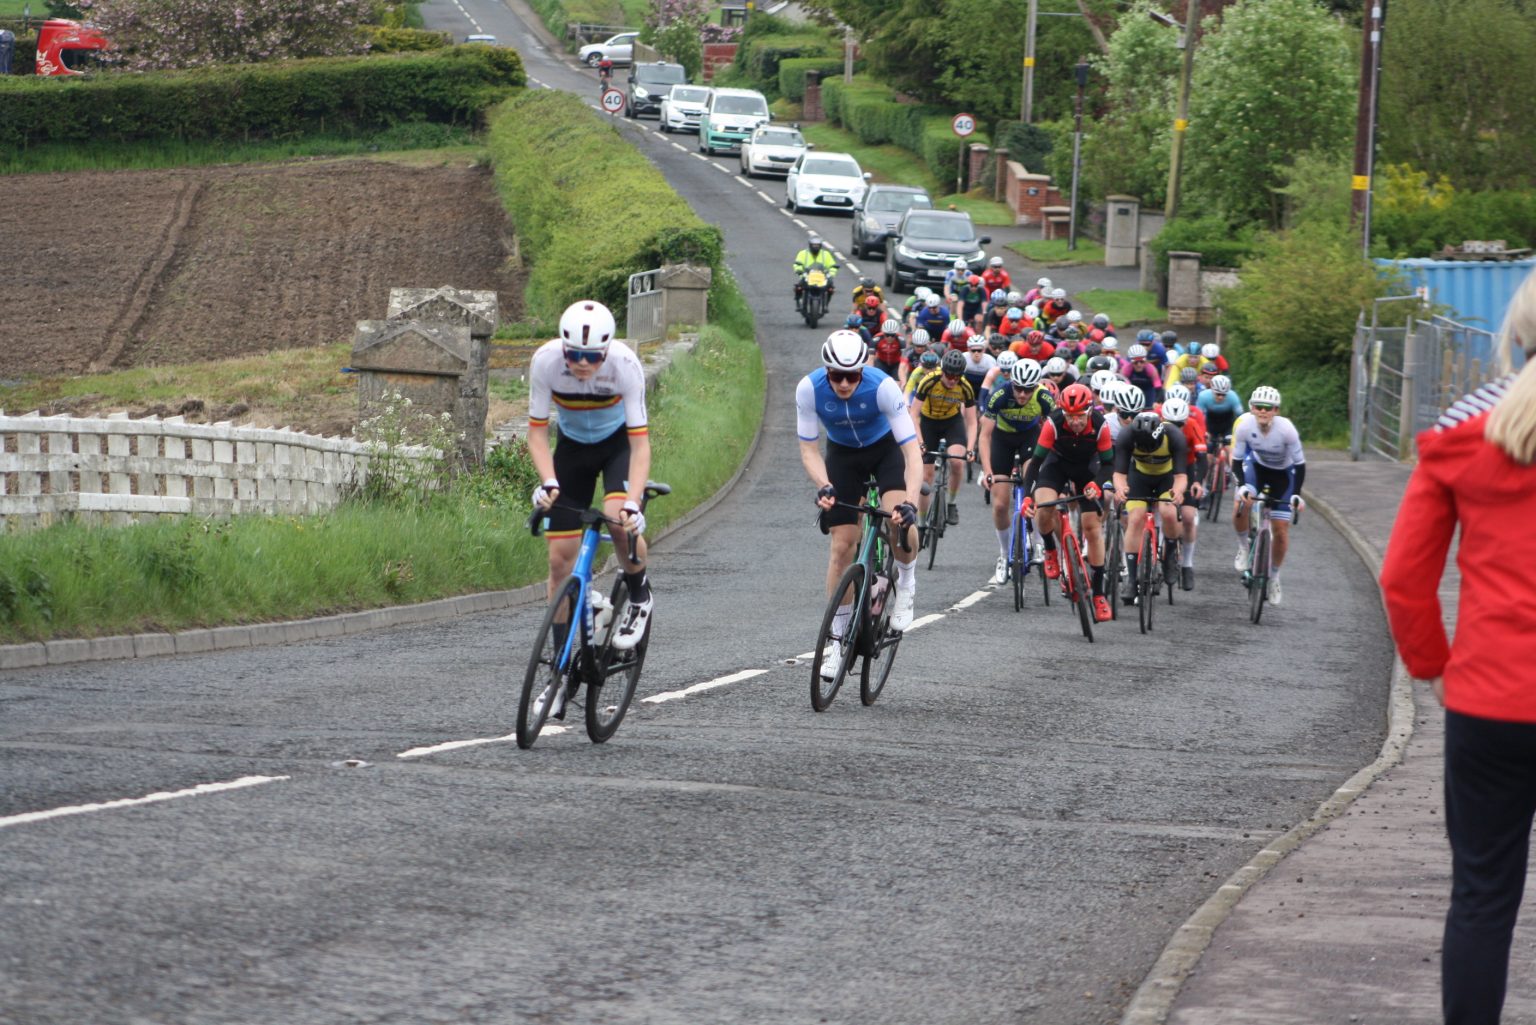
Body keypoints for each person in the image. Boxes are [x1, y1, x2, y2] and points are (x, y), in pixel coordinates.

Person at [1380, 268, 1536, 1025]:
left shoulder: (1462, 433)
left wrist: (1434, 667)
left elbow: (1404, 577)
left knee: (1481, 895)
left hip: (1491, 700)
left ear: (1515, 335)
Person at [528, 300, 655, 674]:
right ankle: (560, 669)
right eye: (575, 354)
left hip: (616, 447)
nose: (583, 363)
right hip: (572, 450)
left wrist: (634, 502)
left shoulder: (625, 365)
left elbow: (640, 443)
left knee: (618, 522)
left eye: (592, 356)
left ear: (607, 350)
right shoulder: (545, 362)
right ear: (563, 347)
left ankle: (639, 595)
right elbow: (536, 434)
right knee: (558, 563)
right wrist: (548, 480)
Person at [798, 330, 923, 680]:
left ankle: (908, 582)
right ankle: (837, 640)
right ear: (826, 370)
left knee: (900, 521)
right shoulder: (809, 389)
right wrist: (823, 484)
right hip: (843, 455)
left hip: (884, 451)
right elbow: (809, 449)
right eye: (835, 375)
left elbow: (912, 452)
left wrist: (911, 502)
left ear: (862, 370)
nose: (842, 384)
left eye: (851, 376)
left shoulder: (882, 387)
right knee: (841, 547)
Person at [1020, 381, 1114, 621]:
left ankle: (1099, 594)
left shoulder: (1101, 426)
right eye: (1069, 416)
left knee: (1093, 528)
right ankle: (1051, 549)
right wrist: (1028, 496)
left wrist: (1096, 484)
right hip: (1057, 465)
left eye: (1080, 416)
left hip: (1087, 469)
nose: (1074, 422)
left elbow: (1109, 465)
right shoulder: (1053, 423)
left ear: (1090, 411)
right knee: (1045, 506)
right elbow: (1036, 463)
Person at [1229, 385, 1305, 605]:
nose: (1263, 411)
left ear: (1276, 410)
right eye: (1258, 407)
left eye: (1268, 407)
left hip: (1284, 474)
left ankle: (1274, 576)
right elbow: (1236, 462)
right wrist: (1242, 486)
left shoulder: (1287, 429)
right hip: (1258, 470)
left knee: (1280, 531)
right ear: (1252, 408)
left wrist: (1297, 495)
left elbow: (1300, 466)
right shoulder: (1245, 427)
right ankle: (1244, 547)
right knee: (1239, 505)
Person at [979, 358, 1052, 583]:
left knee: (1035, 486)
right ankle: (1003, 555)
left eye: (1027, 389)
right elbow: (984, 436)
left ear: (1035, 386)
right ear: (1012, 383)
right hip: (1003, 439)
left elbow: (1055, 431)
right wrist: (988, 470)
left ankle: (1038, 542)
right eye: (1018, 388)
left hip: (1030, 438)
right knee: (1000, 504)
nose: (1022, 394)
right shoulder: (1000, 395)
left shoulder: (1044, 397)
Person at [1113, 408, 1187, 603]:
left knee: (1169, 512)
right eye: (1142, 447)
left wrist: (1178, 492)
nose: (1147, 450)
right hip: (1139, 477)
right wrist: (1120, 488)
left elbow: (1181, 476)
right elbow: (1119, 474)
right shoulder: (1127, 435)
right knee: (1135, 518)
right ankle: (1131, 578)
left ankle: (1170, 554)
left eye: (1151, 447)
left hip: (1166, 478)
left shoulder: (1174, 436)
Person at [908, 348, 978, 527]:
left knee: (956, 462)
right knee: (926, 477)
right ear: (942, 370)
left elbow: (971, 422)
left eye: (957, 376)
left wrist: (970, 449)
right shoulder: (929, 381)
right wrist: (921, 442)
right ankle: (922, 522)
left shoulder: (965, 387)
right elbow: (914, 413)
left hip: (951, 422)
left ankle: (952, 503)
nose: (952, 380)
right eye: (949, 375)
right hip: (928, 423)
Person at [792, 235, 837, 309]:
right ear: (810, 245)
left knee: (830, 288)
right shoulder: (803, 253)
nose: (815, 247)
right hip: (806, 276)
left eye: (817, 245)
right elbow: (797, 263)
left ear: (820, 246)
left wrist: (831, 274)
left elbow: (832, 265)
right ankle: (798, 301)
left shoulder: (825, 254)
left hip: (822, 277)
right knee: (799, 287)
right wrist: (799, 270)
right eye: (814, 245)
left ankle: (826, 304)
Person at [869, 318, 908, 387]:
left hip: (896, 364)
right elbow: (870, 359)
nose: (890, 337)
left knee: (897, 385)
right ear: (883, 333)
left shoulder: (901, 340)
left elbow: (904, 361)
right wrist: (870, 374)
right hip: (881, 362)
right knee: (878, 383)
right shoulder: (876, 339)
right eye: (887, 335)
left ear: (896, 334)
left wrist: (903, 377)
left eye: (892, 335)